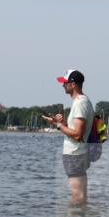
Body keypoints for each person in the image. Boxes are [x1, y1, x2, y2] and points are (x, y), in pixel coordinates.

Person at [42, 69, 94, 205]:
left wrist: (59, 126)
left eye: (65, 83)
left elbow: (77, 134)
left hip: (75, 154)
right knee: (80, 197)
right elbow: (76, 131)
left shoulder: (80, 103)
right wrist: (60, 123)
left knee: (77, 197)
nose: (63, 86)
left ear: (73, 84)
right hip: (78, 154)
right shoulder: (83, 101)